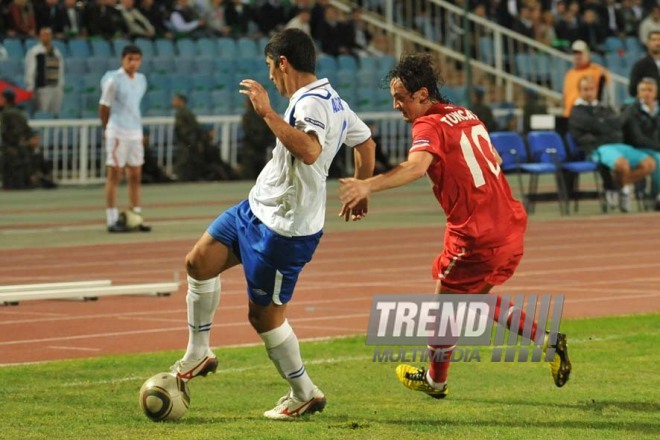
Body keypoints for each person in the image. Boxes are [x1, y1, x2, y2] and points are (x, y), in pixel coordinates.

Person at [338, 53, 571, 399]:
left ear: (422, 94)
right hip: (508, 222)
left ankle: (435, 381)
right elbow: (495, 158)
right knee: (472, 301)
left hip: (477, 234)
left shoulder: (427, 124)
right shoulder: (466, 114)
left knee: (444, 308)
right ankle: (548, 342)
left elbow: (417, 167)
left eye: (401, 97)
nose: (396, 104)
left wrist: (367, 184)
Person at [169, 28, 376, 420]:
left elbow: (311, 151)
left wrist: (266, 112)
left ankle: (304, 392)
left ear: (284, 63)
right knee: (198, 262)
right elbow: (366, 144)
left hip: (285, 230)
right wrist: (362, 186)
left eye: (270, 67)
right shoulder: (333, 99)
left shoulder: (312, 103)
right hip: (255, 208)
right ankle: (198, 352)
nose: (269, 78)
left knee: (263, 317)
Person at [569, 75, 655, 212]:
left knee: (649, 163)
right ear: (580, 91)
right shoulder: (576, 111)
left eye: (591, 88)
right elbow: (595, 126)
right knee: (622, 165)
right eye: (585, 89)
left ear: (596, 90)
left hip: (617, 144)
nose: (589, 92)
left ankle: (616, 187)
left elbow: (616, 125)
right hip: (598, 147)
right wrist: (604, 125)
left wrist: (603, 125)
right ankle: (624, 191)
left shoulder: (604, 108)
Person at [99, 44, 151, 233]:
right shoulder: (113, 80)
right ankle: (111, 218)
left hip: (134, 131)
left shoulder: (142, 80)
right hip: (117, 131)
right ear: (123, 59)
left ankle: (136, 216)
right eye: (130, 59)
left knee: (135, 175)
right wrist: (106, 130)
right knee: (115, 174)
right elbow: (104, 106)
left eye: (136, 59)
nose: (133, 63)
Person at [622, 77, 660, 210]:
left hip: (655, 148)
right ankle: (655, 197)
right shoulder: (632, 111)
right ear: (638, 93)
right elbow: (638, 138)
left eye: (650, 90)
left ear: (655, 93)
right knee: (657, 159)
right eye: (643, 90)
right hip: (637, 149)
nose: (646, 93)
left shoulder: (657, 110)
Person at [562, 40, 609, 117]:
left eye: (580, 53)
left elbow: (604, 91)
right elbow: (565, 96)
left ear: (587, 54)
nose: (577, 56)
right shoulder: (569, 74)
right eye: (575, 53)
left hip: (588, 115)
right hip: (569, 114)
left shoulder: (597, 71)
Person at [24, 27, 64, 117]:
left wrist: (61, 85)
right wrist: (31, 87)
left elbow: (61, 70)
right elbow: (30, 70)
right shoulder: (35, 52)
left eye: (48, 35)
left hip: (56, 87)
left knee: (55, 111)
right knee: (43, 112)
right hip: (43, 88)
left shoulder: (57, 52)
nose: (46, 37)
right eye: (43, 35)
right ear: (40, 37)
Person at [0, 88, 32, 189]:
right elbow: (27, 130)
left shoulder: (5, 114)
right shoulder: (20, 113)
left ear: (5, 100)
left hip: (9, 148)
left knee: (8, 177)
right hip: (20, 148)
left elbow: (3, 130)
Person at [240, 96, 276, 179]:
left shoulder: (247, 116)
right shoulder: (266, 115)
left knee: (250, 174)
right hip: (261, 147)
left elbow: (248, 133)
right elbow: (270, 132)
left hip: (251, 148)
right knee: (260, 174)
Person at [628, 31, 660, 100]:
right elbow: (632, 90)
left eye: (659, 40)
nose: (657, 43)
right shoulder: (640, 65)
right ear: (648, 43)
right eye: (654, 40)